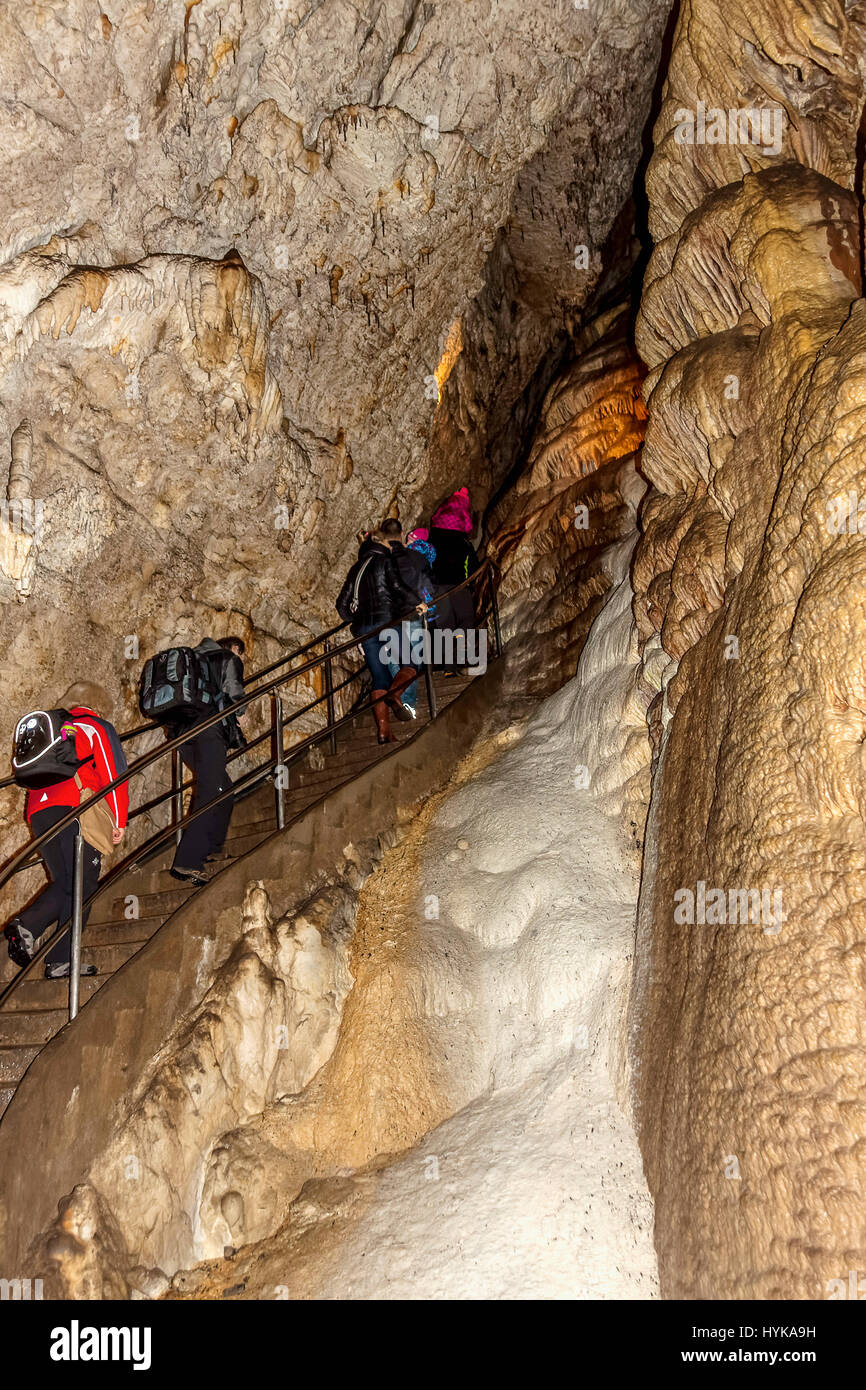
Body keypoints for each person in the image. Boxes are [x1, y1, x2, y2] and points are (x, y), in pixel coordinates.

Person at [3, 682, 129, 979]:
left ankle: (56, 956)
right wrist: (120, 820)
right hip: (75, 809)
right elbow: (114, 775)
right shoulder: (95, 726)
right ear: (97, 705)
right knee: (82, 884)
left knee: (69, 883)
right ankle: (30, 928)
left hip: (39, 813)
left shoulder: (58, 731)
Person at [336, 524, 427, 743]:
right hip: (388, 623)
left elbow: (342, 605)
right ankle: (395, 694)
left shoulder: (356, 569)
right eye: (387, 542)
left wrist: (356, 618)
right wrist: (418, 603)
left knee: (380, 678)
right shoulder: (385, 561)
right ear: (381, 543)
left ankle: (384, 732)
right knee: (410, 664)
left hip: (365, 631)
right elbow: (397, 587)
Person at [169, 636, 246, 887]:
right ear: (233, 648)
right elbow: (234, 692)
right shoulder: (227, 658)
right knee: (210, 793)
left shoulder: (191, 659)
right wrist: (240, 714)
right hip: (210, 731)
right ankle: (188, 860)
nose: (241, 658)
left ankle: (212, 847)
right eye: (241, 653)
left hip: (183, 735)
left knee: (224, 790)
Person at [386, 524, 439, 719]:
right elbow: (429, 586)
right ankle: (405, 700)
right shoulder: (424, 559)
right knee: (412, 659)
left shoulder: (402, 558)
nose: (407, 541)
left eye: (410, 538)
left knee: (396, 658)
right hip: (415, 612)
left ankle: (400, 695)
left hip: (396, 614)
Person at [427, 486, 480, 673]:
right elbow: (471, 563)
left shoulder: (433, 539)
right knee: (465, 620)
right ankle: (464, 659)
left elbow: (428, 563)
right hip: (459, 585)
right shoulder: (462, 541)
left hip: (439, 588)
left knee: (445, 627)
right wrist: (470, 583)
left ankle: (448, 667)